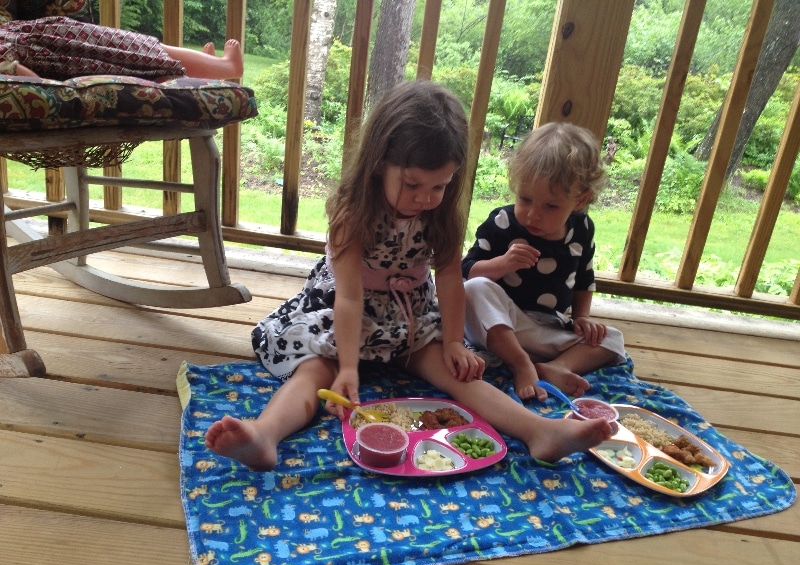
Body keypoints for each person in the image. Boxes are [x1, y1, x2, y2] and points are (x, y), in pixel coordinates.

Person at [204, 81, 612, 471]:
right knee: (318, 371)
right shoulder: (352, 215)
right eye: (413, 183)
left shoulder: (439, 213)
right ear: (380, 163)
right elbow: (349, 298)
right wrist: (348, 367)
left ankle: (539, 431)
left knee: (455, 372)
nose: (425, 198)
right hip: (345, 316)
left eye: (440, 186)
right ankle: (265, 434)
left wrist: (453, 342)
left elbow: (450, 278)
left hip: (409, 318)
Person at [461, 121, 626, 402]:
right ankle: (520, 363)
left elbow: (584, 278)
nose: (533, 215)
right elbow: (467, 271)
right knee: (474, 288)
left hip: (548, 330)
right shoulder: (502, 222)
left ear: (580, 200)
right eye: (525, 199)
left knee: (612, 338)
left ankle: (556, 367)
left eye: (550, 206)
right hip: (499, 326)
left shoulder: (582, 228)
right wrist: (502, 264)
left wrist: (582, 318)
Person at [0, 16, 243, 80]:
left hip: (61, 40)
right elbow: (30, 81)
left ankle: (203, 65)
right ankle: (225, 67)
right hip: (67, 51)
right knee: (143, 51)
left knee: (142, 47)